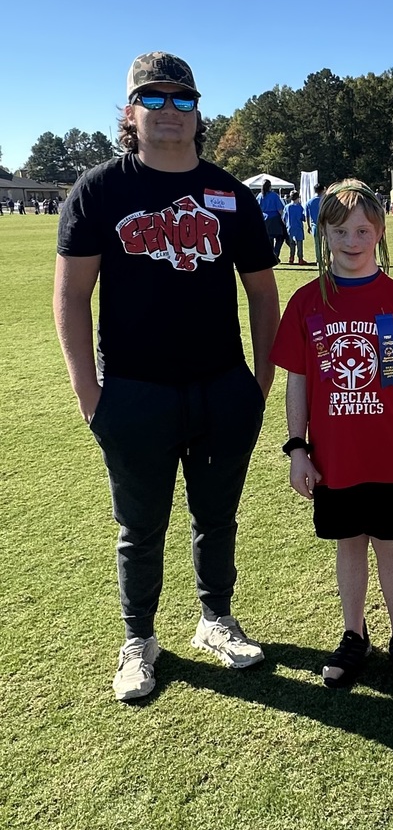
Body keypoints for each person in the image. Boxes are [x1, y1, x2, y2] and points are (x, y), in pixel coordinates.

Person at [54, 51, 280, 702]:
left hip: (221, 387)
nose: (169, 110)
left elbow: (263, 295)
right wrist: (89, 394)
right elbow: (71, 296)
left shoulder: (230, 194)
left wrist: (258, 384)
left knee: (217, 518)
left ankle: (216, 620)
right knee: (139, 527)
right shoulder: (100, 190)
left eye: (183, 98)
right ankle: (140, 640)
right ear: (131, 113)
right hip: (134, 392)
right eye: (153, 98)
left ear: (198, 112)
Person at [270, 180, 393, 689]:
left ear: (380, 231)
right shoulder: (307, 302)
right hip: (334, 459)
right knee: (348, 544)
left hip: (392, 458)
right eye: (341, 230)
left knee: (391, 544)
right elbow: (297, 383)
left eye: (363, 230)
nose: (352, 240)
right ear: (323, 232)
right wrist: (297, 449)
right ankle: (353, 634)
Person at [258, 179, 287, 261]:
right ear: (270, 186)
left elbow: (257, 208)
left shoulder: (260, 196)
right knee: (280, 238)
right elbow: (280, 209)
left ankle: (270, 256)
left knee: (269, 239)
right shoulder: (274, 195)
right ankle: (275, 254)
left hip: (264, 219)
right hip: (274, 218)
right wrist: (283, 218)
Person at [283, 190, 307, 265]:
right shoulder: (300, 207)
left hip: (290, 227)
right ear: (298, 198)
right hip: (298, 227)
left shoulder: (287, 207)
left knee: (291, 244)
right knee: (299, 244)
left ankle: (291, 258)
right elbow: (303, 218)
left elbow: (284, 218)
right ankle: (300, 259)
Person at [305, 184, 324, 253]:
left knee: (317, 245)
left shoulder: (309, 202)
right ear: (323, 190)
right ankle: (327, 257)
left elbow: (307, 216)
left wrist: (308, 226)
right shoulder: (325, 201)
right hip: (325, 225)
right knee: (327, 244)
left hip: (315, 226)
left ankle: (318, 258)